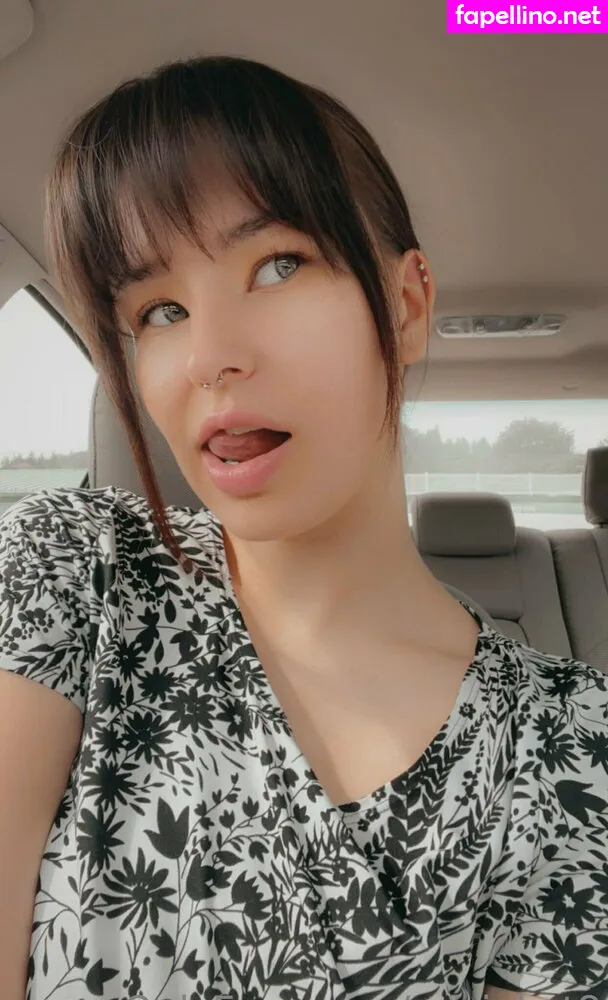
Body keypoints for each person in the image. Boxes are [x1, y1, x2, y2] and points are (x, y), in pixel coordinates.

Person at [0, 55, 606, 1000]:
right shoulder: (75, 569)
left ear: (406, 306)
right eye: (159, 310)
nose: (208, 357)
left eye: (277, 265)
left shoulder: (570, 744)